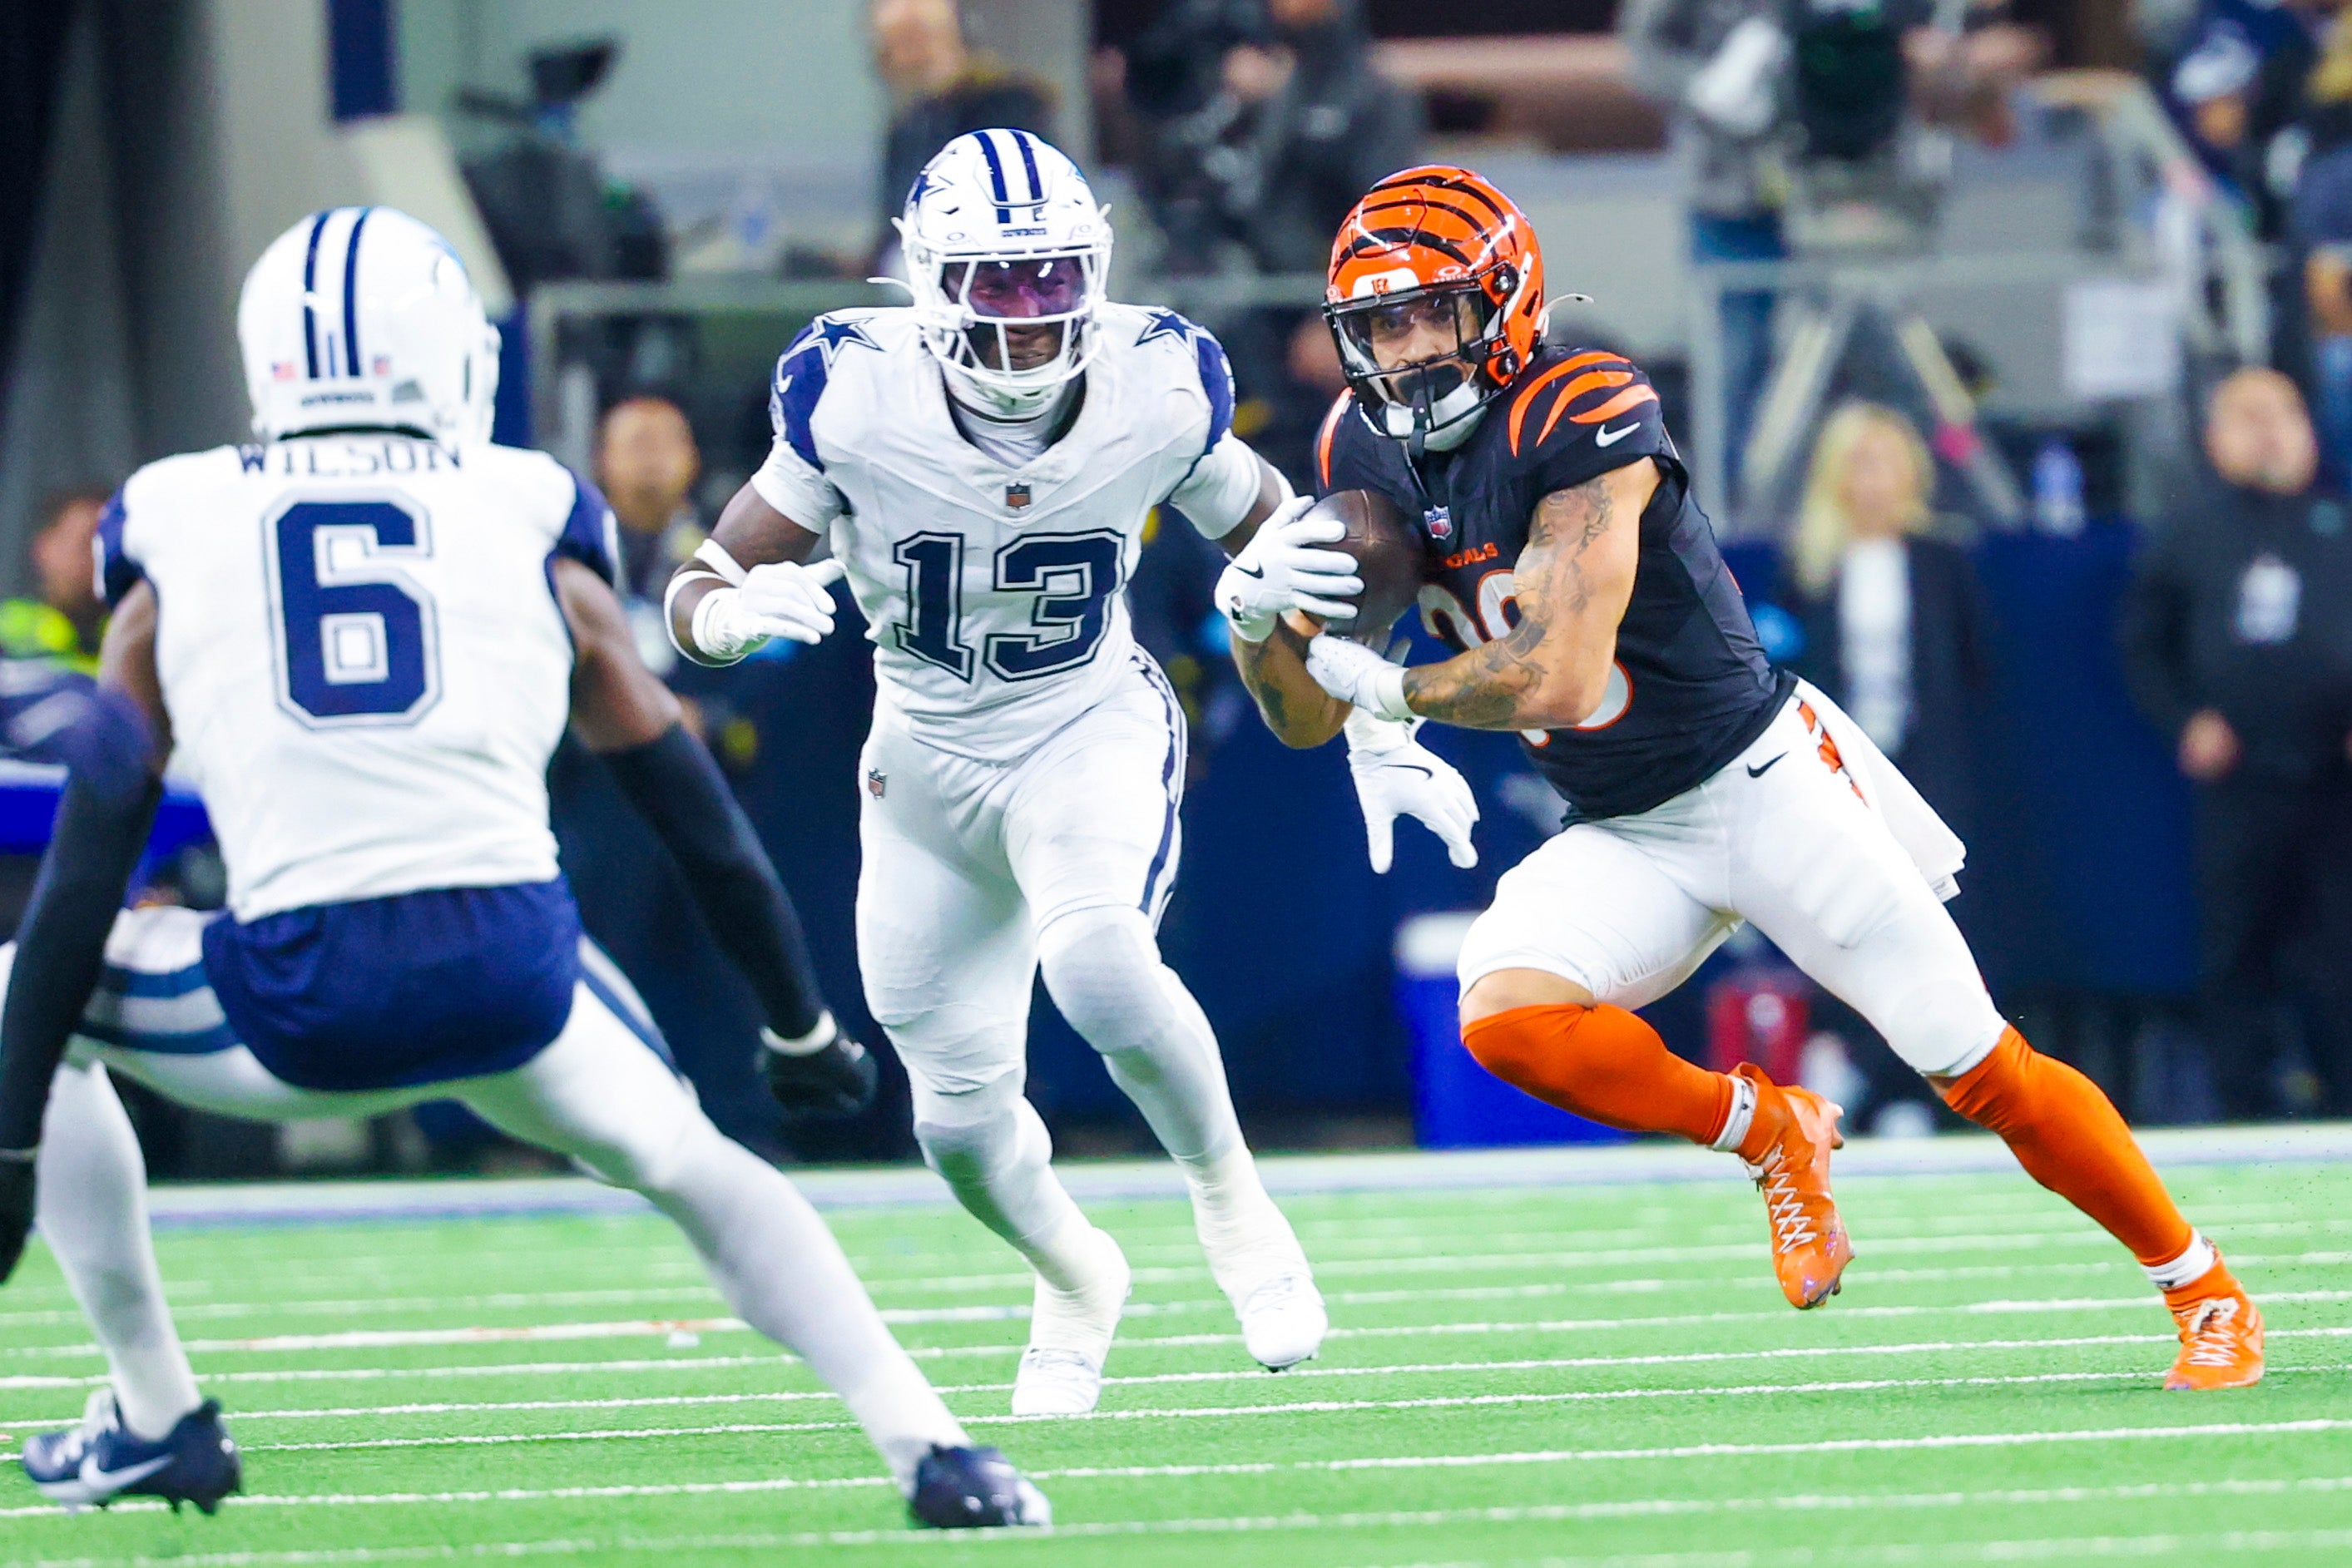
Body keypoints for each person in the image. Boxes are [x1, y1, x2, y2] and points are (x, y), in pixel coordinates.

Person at [0, 206, 1039, 1527]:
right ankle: (934, 1451)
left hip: (300, 996)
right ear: (445, 352)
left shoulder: (171, 519)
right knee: (698, 1166)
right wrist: (800, 1021)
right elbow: (690, 809)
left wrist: (13, 1136)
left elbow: (92, 852)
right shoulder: (527, 506)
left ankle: (157, 1414)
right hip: (515, 975)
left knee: (15, 985)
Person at [1235, 165, 2265, 1392]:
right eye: (1379, 324)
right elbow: (1302, 716)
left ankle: (2202, 1289)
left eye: (1429, 314)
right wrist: (1257, 625)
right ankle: (1769, 1129)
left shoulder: (1583, 405)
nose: (1404, 350)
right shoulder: (1354, 445)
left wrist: (1393, 694)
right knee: (1503, 1016)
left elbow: (1557, 675)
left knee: (1971, 1059)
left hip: (1761, 781)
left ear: (1504, 305)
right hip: (1623, 822)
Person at [665, 131, 1473, 1416]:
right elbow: (700, 581)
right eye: (998, 281)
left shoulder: (1155, 378)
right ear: (928, 282)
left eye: (1052, 275)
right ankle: (1074, 1275)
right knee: (954, 1126)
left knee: (1096, 958)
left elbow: (1302, 550)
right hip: (922, 760)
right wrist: (722, 620)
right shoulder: (850, 389)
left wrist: (1372, 716)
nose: (1031, 310)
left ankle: (1233, 1203)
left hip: (1083, 724)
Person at [2118, 367, 2352, 1120]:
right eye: (2247, 417)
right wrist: (2184, 719)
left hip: (2331, 776)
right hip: (2237, 779)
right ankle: (2244, 1104)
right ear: (2214, 437)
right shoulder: (2189, 533)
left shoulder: (2339, 523)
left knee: (2338, 946)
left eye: (2281, 414)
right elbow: (2144, 645)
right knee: (2233, 947)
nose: (2268, 432)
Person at [870, 0, 1055, 269]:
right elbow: (895, 225)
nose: (897, 59)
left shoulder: (1007, 109)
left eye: (906, 42)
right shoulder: (907, 128)